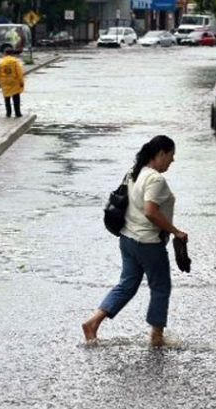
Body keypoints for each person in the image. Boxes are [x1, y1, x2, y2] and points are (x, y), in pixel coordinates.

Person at [81, 135, 187, 348]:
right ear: (161, 154)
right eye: (171, 156)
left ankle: (93, 322)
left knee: (127, 284)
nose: (172, 161)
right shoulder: (155, 179)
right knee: (160, 287)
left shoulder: (134, 172)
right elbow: (150, 212)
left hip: (128, 240)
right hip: (148, 243)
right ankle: (157, 337)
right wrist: (176, 232)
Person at [0, 47, 24, 118]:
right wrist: (21, 81)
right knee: (16, 97)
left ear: (5, 53)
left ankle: (8, 112)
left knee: (6, 97)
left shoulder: (2, 62)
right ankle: (18, 113)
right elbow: (19, 72)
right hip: (14, 81)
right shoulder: (15, 61)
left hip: (4, 81)